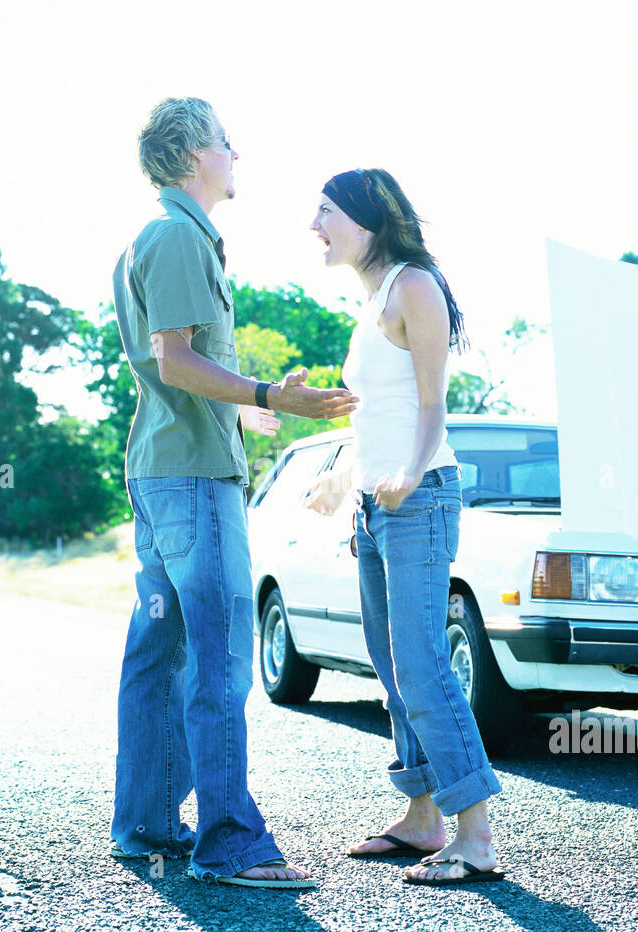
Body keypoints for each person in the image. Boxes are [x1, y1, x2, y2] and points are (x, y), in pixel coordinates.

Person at [109, 99, 358, 890]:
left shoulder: (158, 236)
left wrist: (251, 404)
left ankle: (144, 823)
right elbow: (175, 359)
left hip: (161, 469)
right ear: (191, 155)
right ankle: (230, 843)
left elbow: (172, 371)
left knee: (161, 651)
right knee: (217, 657)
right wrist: (272, 397)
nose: (235, 153)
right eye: (223, 141)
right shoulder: (180, 235)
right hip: (192, 478)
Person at [306, 168, 505, 886]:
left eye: (325, 212)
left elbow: (431, 406)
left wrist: (412, 471)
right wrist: (341, 476)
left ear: (367, 216)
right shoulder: (369, 303)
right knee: (391, 666)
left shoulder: (414, 286)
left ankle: (474, 833)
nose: (314, 226)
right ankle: (422, 816)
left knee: (421, 660)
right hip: (374, 501)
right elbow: (373, 416)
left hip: (418, 500)